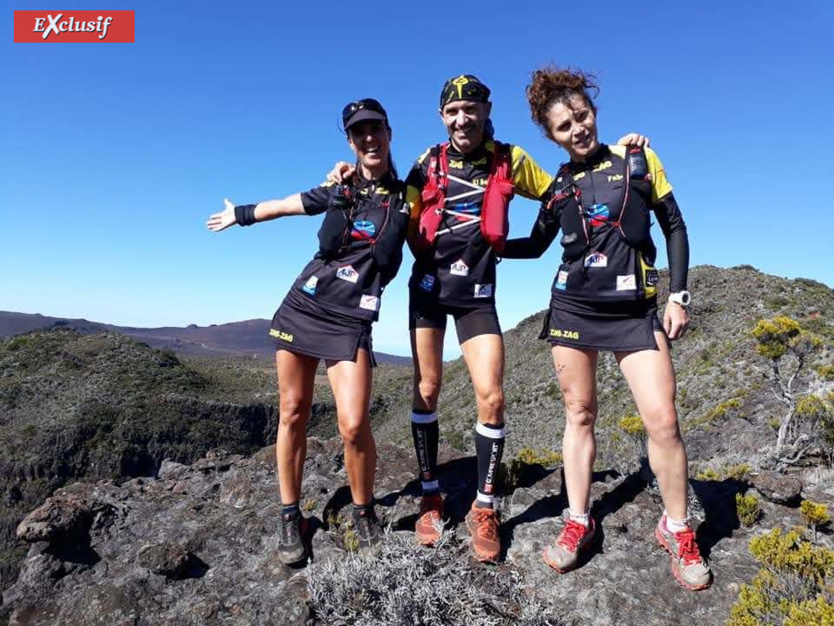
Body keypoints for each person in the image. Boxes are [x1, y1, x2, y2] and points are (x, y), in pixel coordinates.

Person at [329, 75, 646, 563]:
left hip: (478, 295)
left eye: (470, 109)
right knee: (428, 389)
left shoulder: (509, 159)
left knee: (491, 396)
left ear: (485, 110)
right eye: (453, 111)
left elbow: (561, 187)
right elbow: (392, 202)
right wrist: (345, 178)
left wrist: (620, 160)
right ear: (442, 117)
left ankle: (485, 505)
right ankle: (431, 496)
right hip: (429, 291)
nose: (462, 119)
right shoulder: (426, 163)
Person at [501, 66, 711, 590]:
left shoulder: (637, 160)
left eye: (582, 115)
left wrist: (678, 294)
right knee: (580, 414)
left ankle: (677, 527)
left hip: (635, 312)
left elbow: (674, 225)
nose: (578, 128)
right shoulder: (560, 188)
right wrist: (487, 244)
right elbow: (534, 246)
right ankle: (578, 521)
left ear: (593, 111)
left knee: (662, 419)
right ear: (551, 136)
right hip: (572, 310)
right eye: (564, 126)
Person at [206, 99, 409, 565]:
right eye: (359, 133)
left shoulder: (408, 195)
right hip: (305, 305)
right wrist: (240, 214)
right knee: (293, 411)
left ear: (389, 132)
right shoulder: (338, 188)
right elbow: (285, 206)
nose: (369, 138)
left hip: (351, 319)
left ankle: (363, 510)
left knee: (354, 423)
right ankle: (290, 514)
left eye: (375, 129)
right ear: (350, 142)